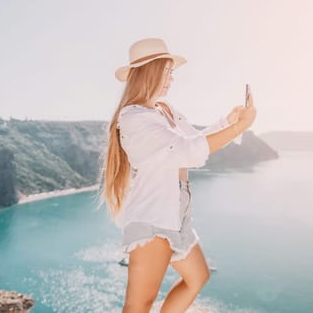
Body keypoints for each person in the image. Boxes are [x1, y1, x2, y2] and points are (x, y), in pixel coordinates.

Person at [98, 38, 256, 313]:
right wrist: (239, 127)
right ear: (151, 71)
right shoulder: (133, 118)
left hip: (176, 216)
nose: (171, 79)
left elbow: (194, 140)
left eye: (172, 73)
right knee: (139, 305)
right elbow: (187, 151)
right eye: (167, 71)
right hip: (153, 220)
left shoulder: (164, 110)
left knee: (197, 277)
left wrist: (229, 123)